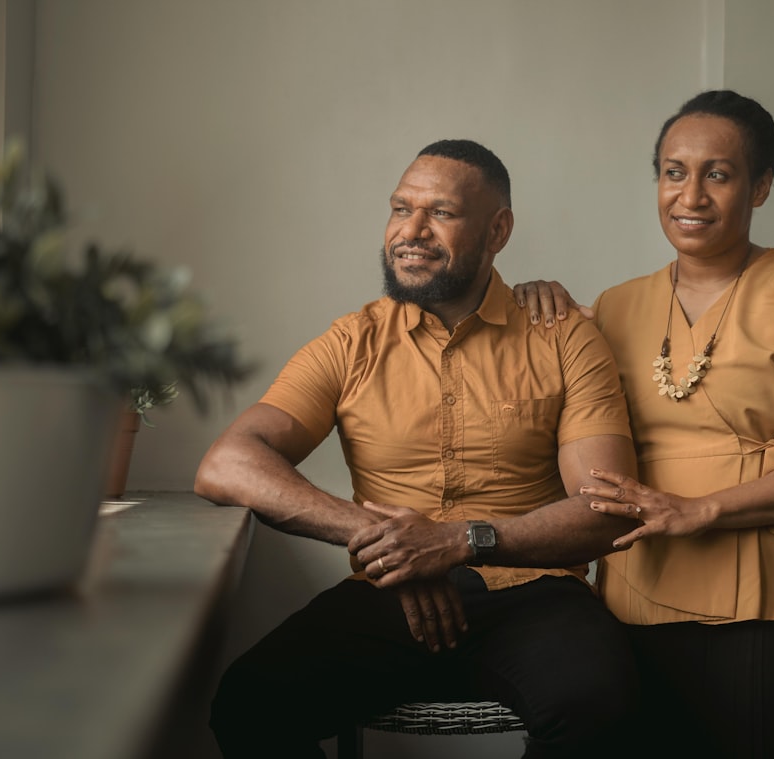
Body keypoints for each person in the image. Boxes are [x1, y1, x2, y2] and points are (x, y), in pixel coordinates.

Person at [195, 139, 642, 759]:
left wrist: (458, 542)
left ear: (499, 229)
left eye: (441, 213)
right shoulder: (352, 341)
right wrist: (392, 547)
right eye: (401, 208)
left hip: (533, 594)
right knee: (250, 703)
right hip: (390, 593)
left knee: (600, 703)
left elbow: (607, 506)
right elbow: (228, 462)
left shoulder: (563, 336)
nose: (411, 231)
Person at [515, 90, 774, 758]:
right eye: (673, 171)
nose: (690, 194)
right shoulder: (613, 305)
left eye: (717, 173)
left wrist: (703, 509)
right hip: (642, 591)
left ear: (762, 186)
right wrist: (528, 297)